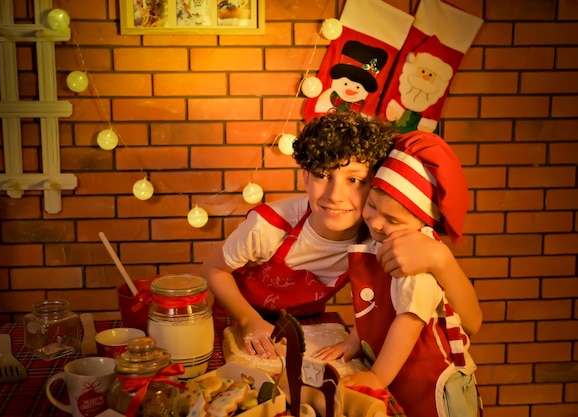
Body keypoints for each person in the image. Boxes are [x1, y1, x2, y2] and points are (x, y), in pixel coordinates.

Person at [200, 109, 482, 361]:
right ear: (306, 178)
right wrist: (249, 320)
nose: (335, 196)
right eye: (322, 175)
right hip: (237, 317)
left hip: (306, 324)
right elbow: (213, 268)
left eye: (354, 180)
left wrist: (440, 258)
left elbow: (472, 322)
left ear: (376, 184)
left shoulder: (376, 233)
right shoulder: (269, 225)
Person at [315, 130, 480, 417]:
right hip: (398, 373)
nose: (376, 223)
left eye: (393, 220)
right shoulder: (378, 241)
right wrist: (354, 341)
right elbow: (374, 309)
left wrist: (378, 377)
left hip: (430, 383)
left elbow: (408, 323)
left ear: (421, 222)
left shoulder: (417, 263)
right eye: (373, 206)